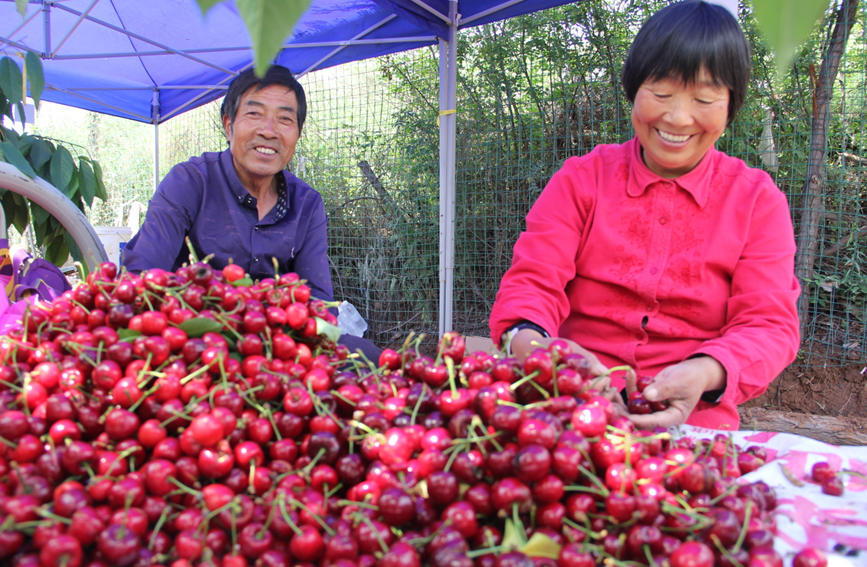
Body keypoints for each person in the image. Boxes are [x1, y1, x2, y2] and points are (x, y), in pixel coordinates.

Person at [488, 0, 800, 431]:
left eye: (704, 98)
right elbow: (530, 286)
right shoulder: (581, 180)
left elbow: (769, 325)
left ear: (730, 107)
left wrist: (706, 371)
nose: (677, 117)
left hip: (696, 428)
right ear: (634, 90)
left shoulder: (757, 201)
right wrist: (544, 353)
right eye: (662, 93)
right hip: (570, 413)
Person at [122, 65, 381, 361]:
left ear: (297, 134)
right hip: (195, 344)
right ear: (228, 125)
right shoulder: (190, 183)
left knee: (368, 358)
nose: (268, 130)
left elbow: (317, 304)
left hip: (278, 348)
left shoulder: (307, 204)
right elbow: (141, 279)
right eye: (254, 114)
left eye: (285, 119)